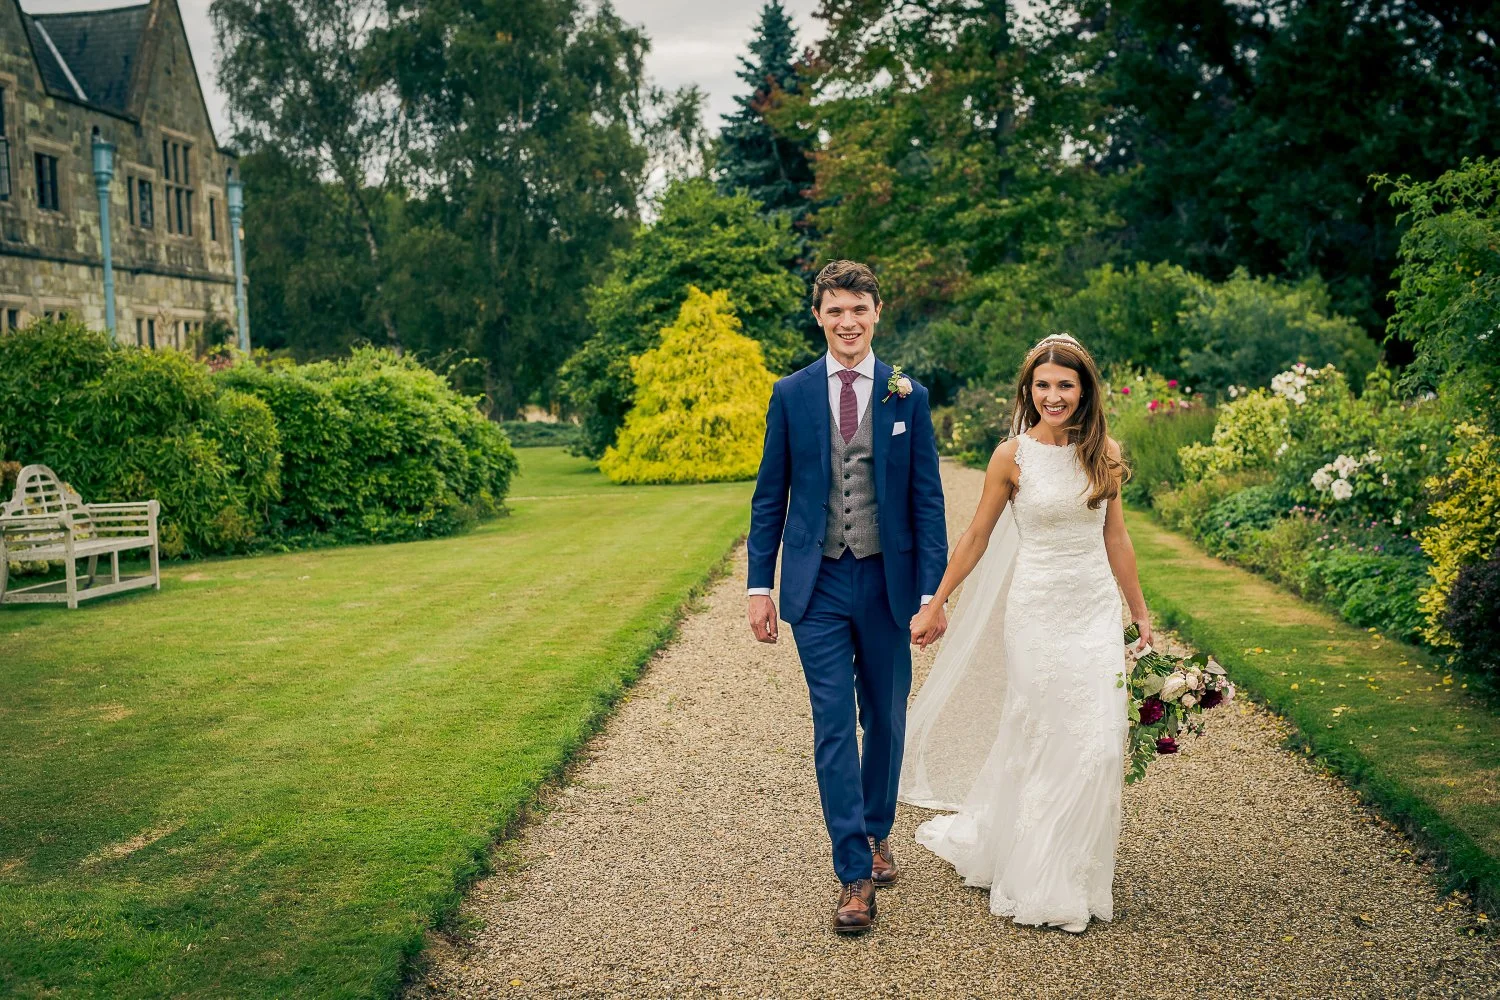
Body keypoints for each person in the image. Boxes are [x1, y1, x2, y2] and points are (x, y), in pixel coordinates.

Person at [902, 333, 1152, 933]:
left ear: (1085, 389)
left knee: (1099, 741)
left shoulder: (1106, 455)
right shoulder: (1010, 457)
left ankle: (1073, 867)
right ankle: (1038, 874)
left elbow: (1116, 539)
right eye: (1043, 385)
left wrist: (1139, 613)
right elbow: (976, 537)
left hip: (1092, 611)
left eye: (1065, 385)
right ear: (1028, 390)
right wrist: (936, 604)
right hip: (1036, 613)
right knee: (1042, 734)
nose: (1054, 396)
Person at [746, 259, 948, 934]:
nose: (847, 321)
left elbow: (927, 502)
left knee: (886, 718)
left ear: (877, 313)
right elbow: (770, 495)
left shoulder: (906, 394)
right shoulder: (792, 393)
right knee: (833, 724)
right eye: (834, 310)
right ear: (819, 317)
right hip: (820, 582)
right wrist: (758, 585)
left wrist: (933, 595)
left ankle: (878, 826)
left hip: (889, 583)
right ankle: (853, 875)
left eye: (858, 309)